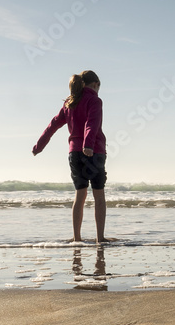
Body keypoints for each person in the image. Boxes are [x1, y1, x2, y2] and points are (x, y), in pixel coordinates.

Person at [32, 70, 115, 243]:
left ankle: (77, 238)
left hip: (74, 153)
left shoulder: (70, 102)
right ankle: (100, 238)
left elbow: (52, 126)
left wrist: (38, 146)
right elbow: (92, 123)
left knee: (80, 195)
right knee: (98, 196)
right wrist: (88, 145)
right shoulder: (94, 100)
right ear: (95, 84)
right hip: (94, 151)